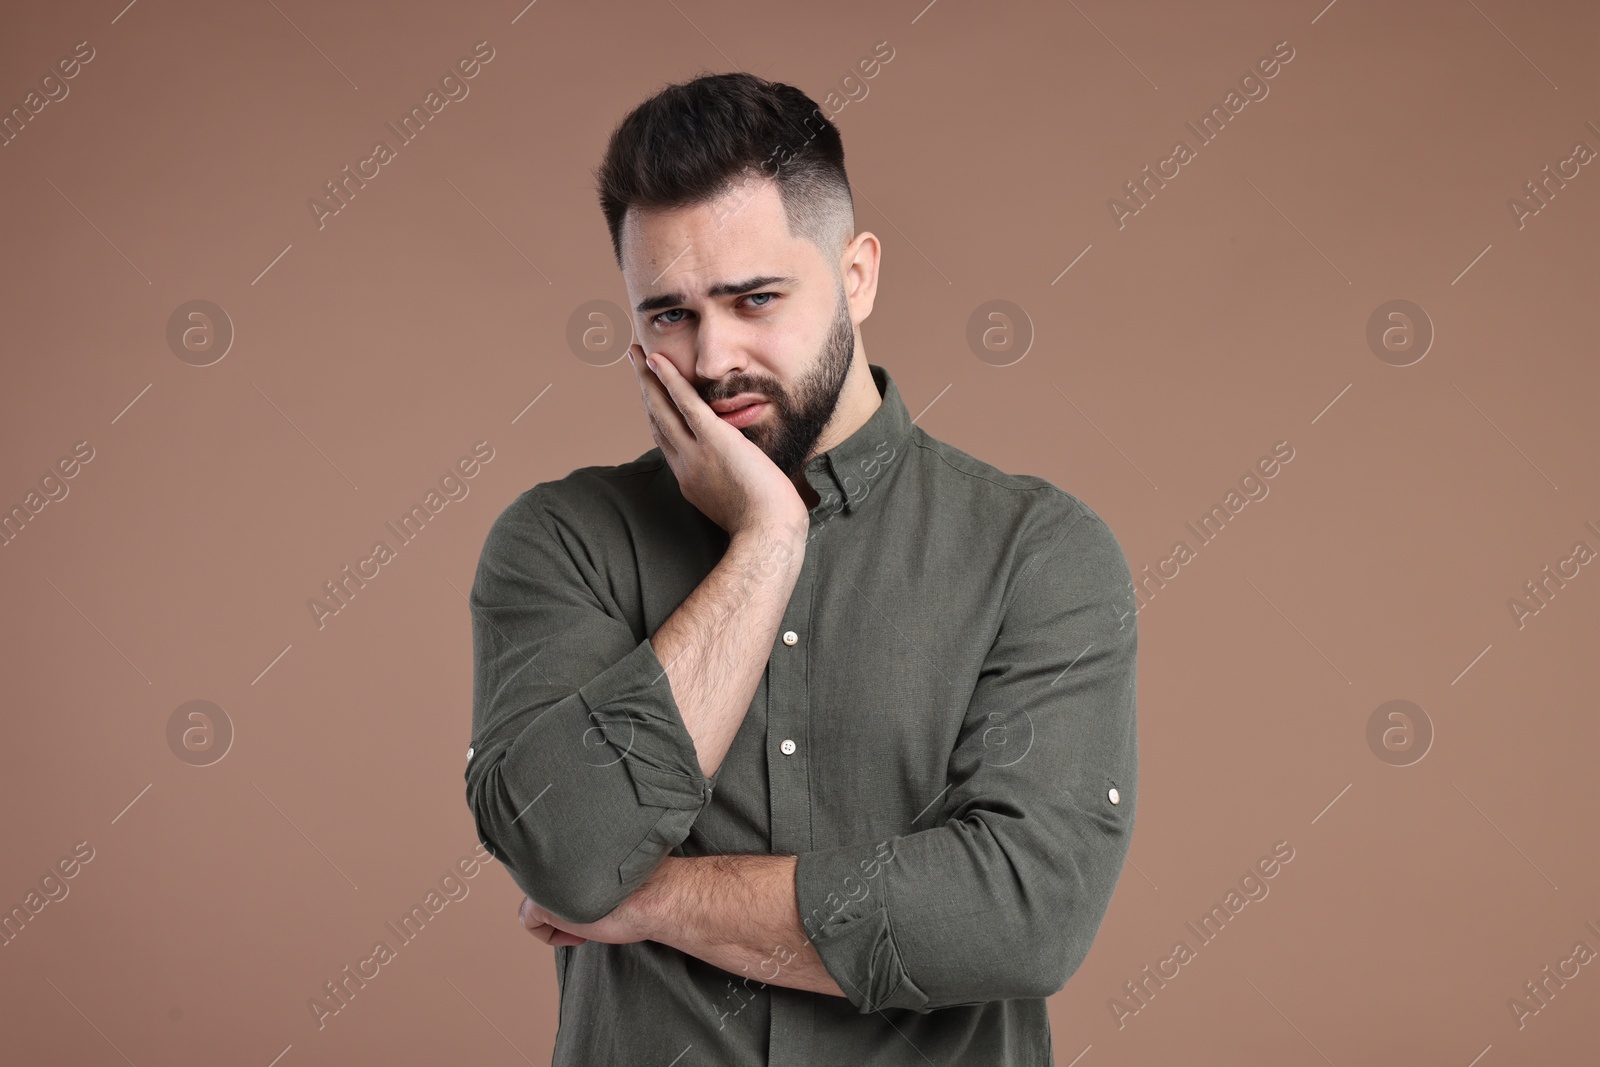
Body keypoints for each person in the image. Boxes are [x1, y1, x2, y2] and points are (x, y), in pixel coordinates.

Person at [465, 70, 1139, 1066]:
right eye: (667, 315)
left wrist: (650, 896)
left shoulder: (1036, 551)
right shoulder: (564, 539)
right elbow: (567, 849)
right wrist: (769, 541)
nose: (713, 355)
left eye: (755, 298)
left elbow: (1021, 914)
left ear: (857, 274)